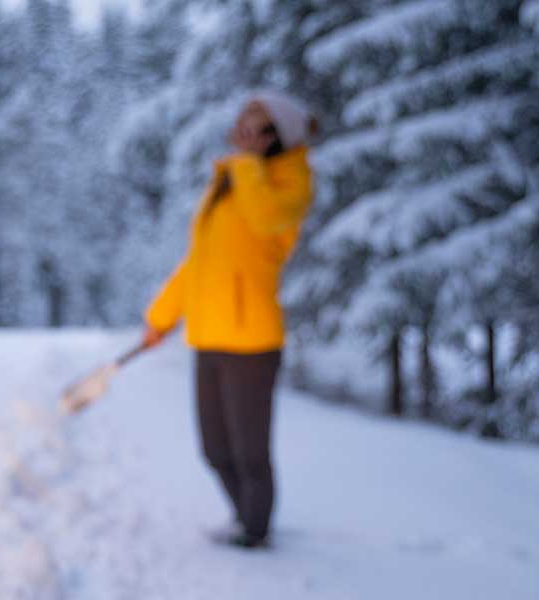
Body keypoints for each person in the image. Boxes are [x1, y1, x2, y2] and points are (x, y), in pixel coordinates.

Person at [141, 91, 317, 549]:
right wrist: (161, 318)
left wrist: (244, 165)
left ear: (279, 135)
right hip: (209, 336)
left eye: (256, 125)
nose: (243, 131)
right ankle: (245, 519)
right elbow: (198, 262)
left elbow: (265, 222)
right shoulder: (229, 185)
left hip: (252, 341)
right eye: (242, 121)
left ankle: (255, 532)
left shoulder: (289, 184)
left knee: (249, 453)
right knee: (215, 450)